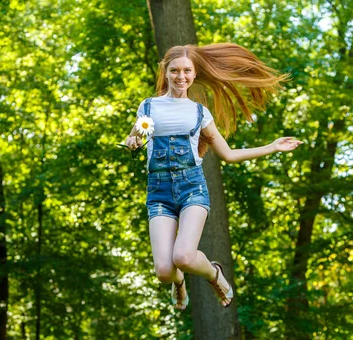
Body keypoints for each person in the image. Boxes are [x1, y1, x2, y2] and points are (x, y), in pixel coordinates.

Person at [125, 43, 303, 311]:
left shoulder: (199, 113)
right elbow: (136, 137)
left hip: (192, 189)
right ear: (166, 71)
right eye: (175, 71)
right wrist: (132, 142)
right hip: (159, 191)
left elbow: (228, 155)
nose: (180, 77)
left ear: (195, 74)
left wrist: (272, 147)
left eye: (187, 71)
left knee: (183, 256)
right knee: (164, 270)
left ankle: (214, 274)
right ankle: (179, 281)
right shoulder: (149, 107)